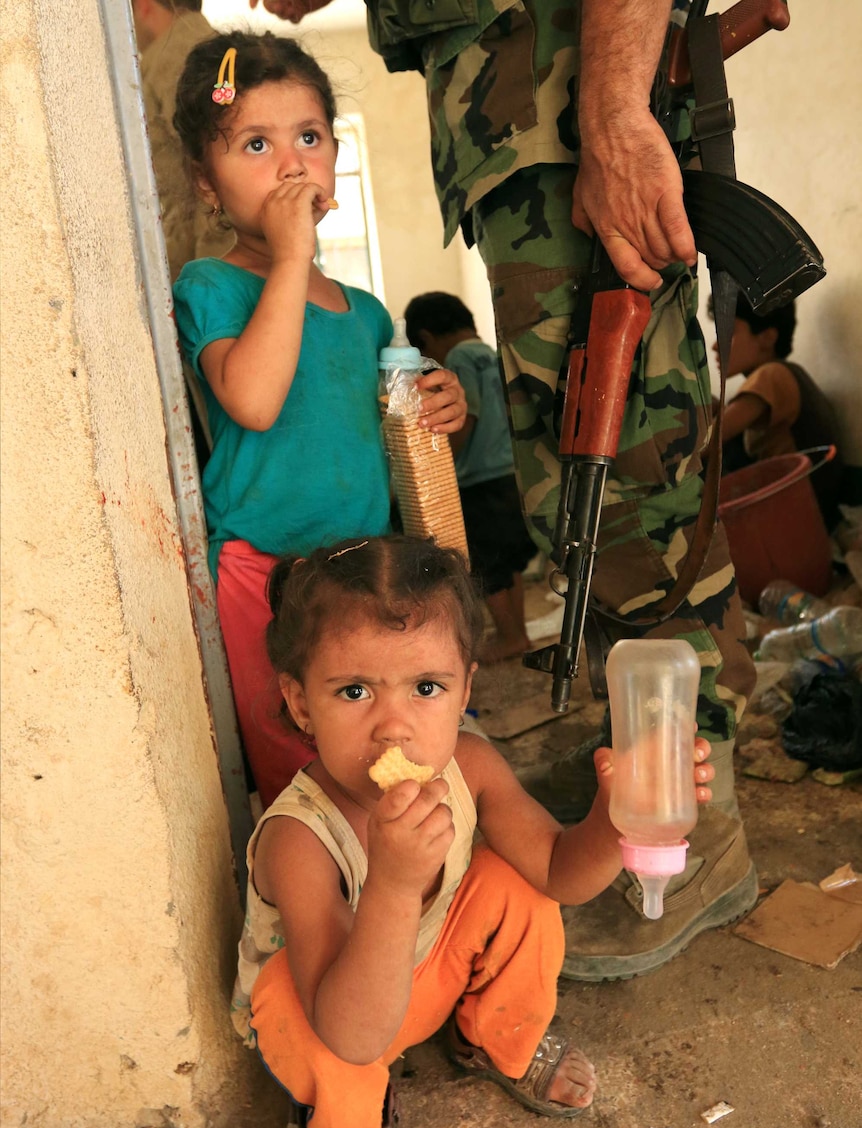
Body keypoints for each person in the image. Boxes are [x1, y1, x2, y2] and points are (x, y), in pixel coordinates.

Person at [247, 0, 760, 985]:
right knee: (569, 489)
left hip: (567, 106)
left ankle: (693, 825)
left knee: (632, 483)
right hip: (517, 128)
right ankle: (635, 769)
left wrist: (612, 114)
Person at [230, 533, 717, 1128]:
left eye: (426, 688)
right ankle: (345, 1119)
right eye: (354, 691)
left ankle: (495, 1036)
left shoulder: (471, 765)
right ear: (301, 703)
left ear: (465, 690)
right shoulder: (298, 838)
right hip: (337, 1017)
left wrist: (619, 816)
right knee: (332, 1055)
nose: (395, 727)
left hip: (425, 976)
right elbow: (350, 1033)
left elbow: (557, 872)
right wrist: (396, 882)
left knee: (517, 884)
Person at [171, 33, 467, 809]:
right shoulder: (210, 285)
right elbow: (254, 399)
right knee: (294, 766)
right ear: (207, 183)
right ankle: (312, 908)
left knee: (367, 749)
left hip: (356, 578)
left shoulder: (366, 313)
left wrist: (443, 405)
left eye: (309, 137)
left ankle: (389, 893)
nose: (291, 163)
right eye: (256, 144)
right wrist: (293, 258)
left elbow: (394, 435)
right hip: (259, 576)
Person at [404, 291, 538, 661]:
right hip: (509, 473)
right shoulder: (490, 353)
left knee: (486, 562)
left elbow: (466, 417)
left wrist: (442, 462)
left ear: (426, 339)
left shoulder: (460, 358)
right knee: (507, 559)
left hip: (477, 478)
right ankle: (520, 633)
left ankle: (509, 635)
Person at [713, 295, 844, 531]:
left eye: (728, 332)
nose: (715, 345)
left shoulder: (771, 375)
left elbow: (711, 441)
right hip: (812, 507)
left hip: (801, 512)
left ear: (767, 338)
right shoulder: (785, 373)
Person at [132, 0, 233, 282]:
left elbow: (219, 165)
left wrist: (209, 278)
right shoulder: (194, 45)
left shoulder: (179, 50)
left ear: (144, 6)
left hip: (212, 258)